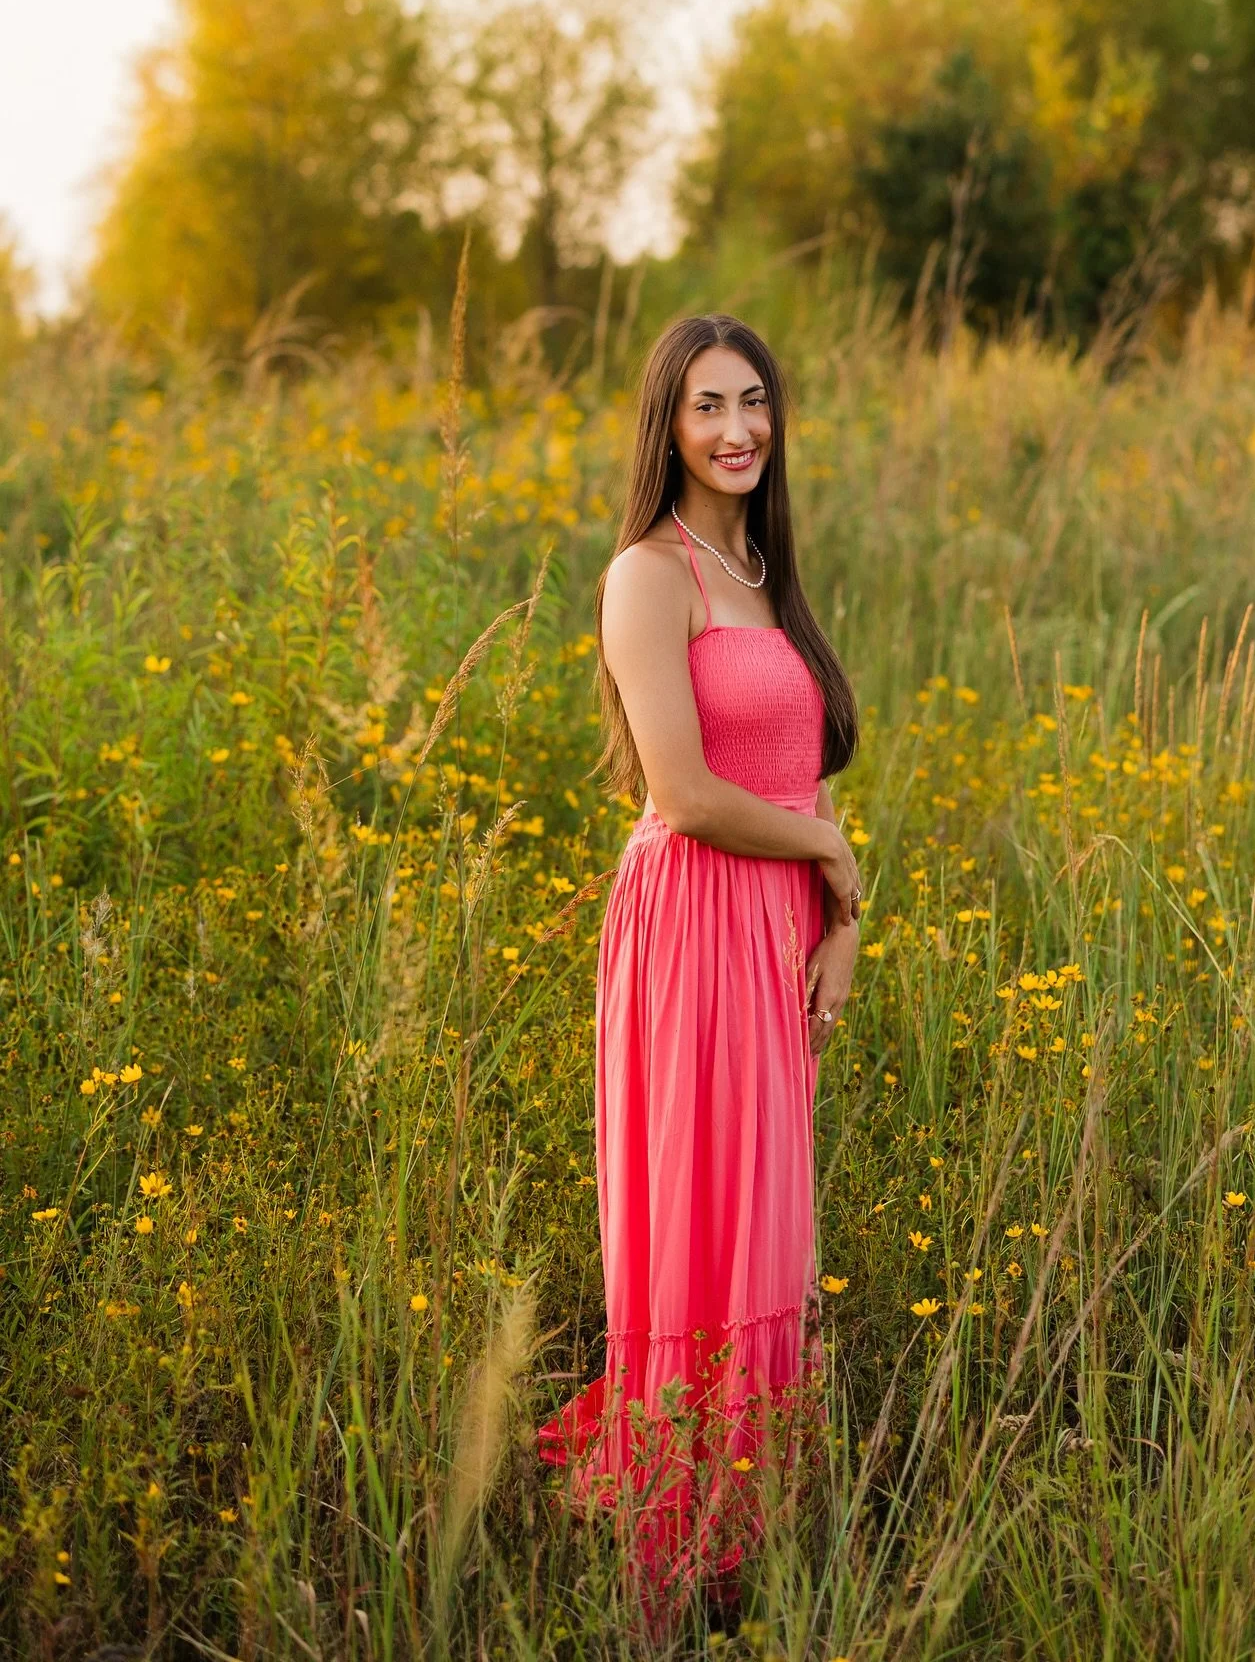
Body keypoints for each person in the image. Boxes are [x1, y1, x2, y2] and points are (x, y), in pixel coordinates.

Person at [537, 313, 864, 1606]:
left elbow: (800, 771)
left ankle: (756, 1506)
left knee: (772, 1221)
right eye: (707, 406)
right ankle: (677, 1539)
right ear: (666, 427)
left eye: (754, 402)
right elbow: (682, 795)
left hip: (777, 924)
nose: (737, 429)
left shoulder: (764, 570)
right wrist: (830, 859)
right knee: (704, 1211)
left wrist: (842, 924)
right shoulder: (649, 575)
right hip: (691, 922)